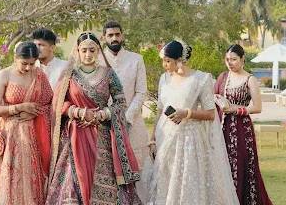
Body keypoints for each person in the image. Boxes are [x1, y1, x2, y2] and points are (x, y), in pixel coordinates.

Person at [46, 32, 142, 205]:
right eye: (84, 50)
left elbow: (120, 102)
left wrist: (102, 114)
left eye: (92, 50)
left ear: (98, 51)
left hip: (102, 134)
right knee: (76, 177)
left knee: (104, 177)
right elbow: (58, 103)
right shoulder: (69, 76)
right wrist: (78, 112)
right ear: (77, 51)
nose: (88, 54)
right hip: (75, 135)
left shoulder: (108, 74)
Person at [144, 40, 239, 205]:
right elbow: (160, 111)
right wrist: (153, 139)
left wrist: (186, 113)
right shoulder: (163, 79)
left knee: (185, 185)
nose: (164, 64)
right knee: (164, 184)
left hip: (189, 142)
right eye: (163, 60)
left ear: (179, 60)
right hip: (165, 138)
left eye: (167, 61)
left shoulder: (200, 79)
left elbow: (210, 114)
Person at [0, 42, 53, 205]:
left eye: (32, 63)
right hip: (10, 135)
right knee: (8, 177)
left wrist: (35, 112)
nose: (28, 68)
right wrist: (19, 107)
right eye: (24, 63)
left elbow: (49, 103)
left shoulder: (40, 76)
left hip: (34, 135)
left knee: (31, 177)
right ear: (15, 58)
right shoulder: (4, 75)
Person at [214, 44, 272, 205]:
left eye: (233, 59)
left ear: (242, 59)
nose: (230, 63)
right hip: (222, 129)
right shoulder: (223, 77)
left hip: (242, 130)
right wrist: (219, 102)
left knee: (242, 166)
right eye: (227, 59)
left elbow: (257, 107)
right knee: (223, 167)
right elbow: (213, 98)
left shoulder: (250, 79)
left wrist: (234, 109)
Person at [101, 20, 149, 170]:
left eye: (117, 34)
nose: (114, 38)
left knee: (136, 168)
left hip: (132, 123)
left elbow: (141, 91)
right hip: (104, 124)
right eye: (110, 35)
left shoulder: (136, 59)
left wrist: (127, 119)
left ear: (122, 36)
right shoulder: (97, 60)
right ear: (104, 38)